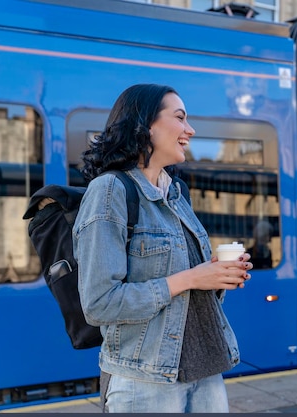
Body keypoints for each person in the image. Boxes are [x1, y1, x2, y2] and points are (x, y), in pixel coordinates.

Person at [73, 84, 253, 413]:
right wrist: (191, 278)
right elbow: (100, 304)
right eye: (180, 118)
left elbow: (188, 290)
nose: (190, 129)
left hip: (205, 369)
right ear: (145, 125)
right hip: (146, 380)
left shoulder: (175, 193)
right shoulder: (110, 190)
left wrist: (216, 276)